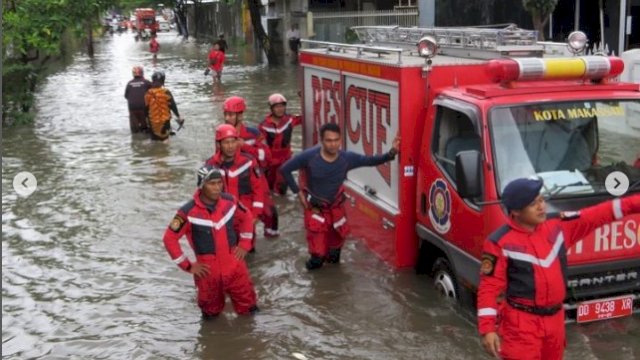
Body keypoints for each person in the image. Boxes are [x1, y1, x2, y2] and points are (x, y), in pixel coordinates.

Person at [477, 177, 640, 360]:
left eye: (541, 200)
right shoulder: (499, 242)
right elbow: (489, 288)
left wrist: (635, 203)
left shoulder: (558, 226)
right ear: (515, 211)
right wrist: (487, 329)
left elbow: (601, 213)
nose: (541, 207)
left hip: (555, 322)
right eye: (533, 204)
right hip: (520, 326)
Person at [280, 122, 400, 270]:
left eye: (336, 140)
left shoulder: (347, 158)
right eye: (329, 141)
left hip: (336, 211)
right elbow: (285, 169)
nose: (333, 144)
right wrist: (298, 193)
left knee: (335, 254)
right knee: (317, 258)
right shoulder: (309, 156)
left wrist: (392, 152)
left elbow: (371, 161)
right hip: (316, 211)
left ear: (340, 140)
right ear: (322, 141)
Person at [163, 165, 258, 318]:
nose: (217, 188)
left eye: (219, 183)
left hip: (235, 265)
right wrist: (188, 266)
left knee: (250, 309)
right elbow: (169, 238)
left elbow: (246, 217)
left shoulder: (230, 201)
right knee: (210, 315)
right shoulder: (187, 212)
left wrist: (245, 244)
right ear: (202, 185)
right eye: (211, 184)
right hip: (208, 271)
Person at [223, 96, 279, 238]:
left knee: (271, 214)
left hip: (257, 179)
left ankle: (271, 238)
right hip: (235, 184)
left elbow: (267, 158)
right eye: (226, 114)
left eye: (230, 114)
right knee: (244, 228)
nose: (227, 118)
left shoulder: (254, 134)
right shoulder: (222, 134)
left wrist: (246, 147)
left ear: (240, 115)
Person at [205, 124, 264, 249]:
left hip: (245, 214)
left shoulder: (248, 162)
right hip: (223, 216)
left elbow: (258, 189)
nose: (231, 146)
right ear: (219, 144)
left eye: (233, 142)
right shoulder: (210, 164)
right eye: (226, 142)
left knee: (248, 248)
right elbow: (205, 194)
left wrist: (255, 215)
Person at [259, 93, 303, 195]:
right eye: (277, 107)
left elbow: (305, 115)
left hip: (285, 160)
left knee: (281, 188)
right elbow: (260, 145)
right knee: (268, 188)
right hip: (270, 162)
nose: (280, 109)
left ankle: (283, 205)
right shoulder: (264, 125)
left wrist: (303, 99)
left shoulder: (290, 120)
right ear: (271, 108)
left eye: (282, 106)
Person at [144, 71, 184, 141]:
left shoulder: (148, 93)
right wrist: (179, 117)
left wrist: (147, 122)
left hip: (152, 123)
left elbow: (145, 110)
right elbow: (173, 106)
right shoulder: (166, 92)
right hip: (164, 122)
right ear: (163, 81)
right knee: (165, 140)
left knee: (154, 141)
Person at [124, 65, 151, 133]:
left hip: (132, 108)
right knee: (145, 129)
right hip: (143, 107)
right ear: (142, 73)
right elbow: (154, 92)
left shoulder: (129, 83)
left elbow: (126, 96)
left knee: (135, 132)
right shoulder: (146, 82)